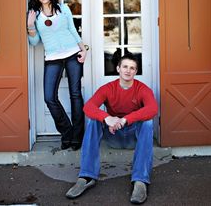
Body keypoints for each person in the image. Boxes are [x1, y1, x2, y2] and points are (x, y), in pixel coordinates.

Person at [66, 53, 158, 204]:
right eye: (125, 67)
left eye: (132, 68)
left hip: (132, 136)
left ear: (136, 71)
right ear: (118, 69)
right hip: (112, 135)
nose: (128, 71)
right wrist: (107, 118)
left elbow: (153, 108)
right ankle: (86, 176)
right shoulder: (108, 88)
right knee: (93, 121)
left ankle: (140, 180)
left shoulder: (143, 89)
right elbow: (88, 107)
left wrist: (125, 119)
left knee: (147, 123)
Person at [27, 0, 87, 151]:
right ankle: (66, 131)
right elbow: (35, 42)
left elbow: (73, 31)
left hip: (72, 54)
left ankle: (77, 136)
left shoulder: (63, 8)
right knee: (49, 97)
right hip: (52, 57)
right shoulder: (34, 14)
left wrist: (83, 49)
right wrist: (30, 26)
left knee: (75, 94)